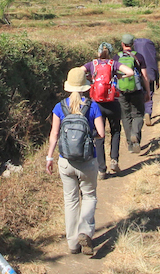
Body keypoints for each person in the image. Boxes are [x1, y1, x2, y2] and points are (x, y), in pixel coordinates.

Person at [45, 67, 105, 256]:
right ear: (86, 86)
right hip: (87, 161)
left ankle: (72, 243)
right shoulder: (92, 106)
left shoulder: (59, 106)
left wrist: (49, 157)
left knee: (70, 201)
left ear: (68, 86)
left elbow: (54, 134)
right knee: (88, 196)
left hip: (66, 161)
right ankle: (85, 231)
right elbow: (101, 134)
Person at [82, 42, 134, 179]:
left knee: (99, 135)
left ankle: (101, 170)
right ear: (110, 52)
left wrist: (90, 78)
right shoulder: (113, 64)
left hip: (96, 104)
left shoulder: (92, 64)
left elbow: (78, 72)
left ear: (98, 52)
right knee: (115, 131)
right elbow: (130, 72)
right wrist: (119, 76)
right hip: (113, 102)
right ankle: (114, 160)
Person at [117, 34, 150, 153]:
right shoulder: (139, 57)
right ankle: (135, 134)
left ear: (122, 44)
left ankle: (130, 146)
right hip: (137, 90)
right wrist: (147, 92)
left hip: (121, 91)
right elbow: (145, 76)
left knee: (126, 117)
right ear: (133, 44)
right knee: (138, 114)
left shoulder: (117, 57)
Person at [133, 37, 160, 126]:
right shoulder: (151, 54)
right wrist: (157, 79)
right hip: (150, 74)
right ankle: (147, 112)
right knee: (150, 93)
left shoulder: (134, 54)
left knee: (139, 94)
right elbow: (155, 65)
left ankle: (140, 113)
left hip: (138, 76)